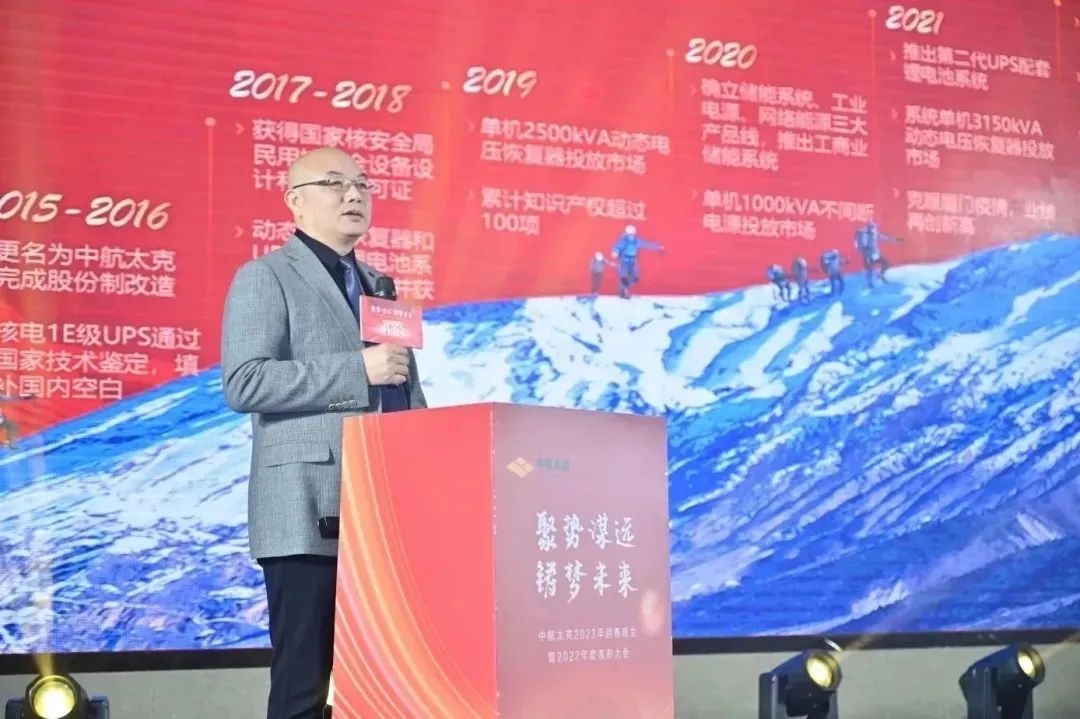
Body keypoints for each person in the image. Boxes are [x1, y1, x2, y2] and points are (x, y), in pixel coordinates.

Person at [220, 146, 426, 719]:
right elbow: (245, 382)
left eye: (362, 184)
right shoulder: (265, 277)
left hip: (381, 512)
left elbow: (402, 388)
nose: (354, 194)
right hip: (306, 509)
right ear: (295, 201)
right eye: (335, 183)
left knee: (382, 685)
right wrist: (356, 370)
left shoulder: (380, 285)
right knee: (303, 688)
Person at [611, 224, 664, 298]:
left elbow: (647, 244)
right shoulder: (624, 240)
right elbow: (617, 247)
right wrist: (615, 252)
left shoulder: (636, 241)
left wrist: (658, 247)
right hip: (625, 260)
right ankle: (624, 292)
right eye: (630, 233)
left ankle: (623, 289)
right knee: (624, 277)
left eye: (632, 233)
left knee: (635, 278)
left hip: (633, 260)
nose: (631, 235)